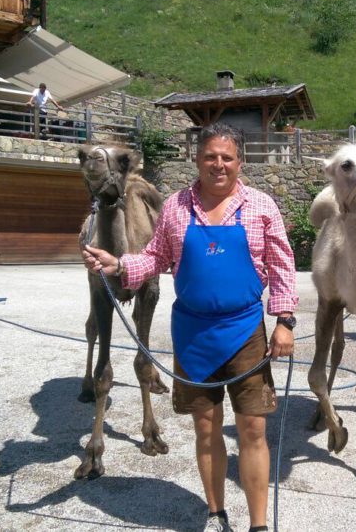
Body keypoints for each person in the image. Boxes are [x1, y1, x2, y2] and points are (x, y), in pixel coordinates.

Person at [82, 123, 297, 532]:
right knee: (206, 427)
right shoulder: (177, 207)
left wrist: (284, 322)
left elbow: (284, 265)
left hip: (246, 331)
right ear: (197, 160)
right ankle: (216, 513)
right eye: (210, 156)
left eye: (227, 157)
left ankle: (259, 525)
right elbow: (156, 257)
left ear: (240, 161)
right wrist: (120, 265)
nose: (219, 164)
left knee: (252, 428)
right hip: (194, 335)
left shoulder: (262, 206)